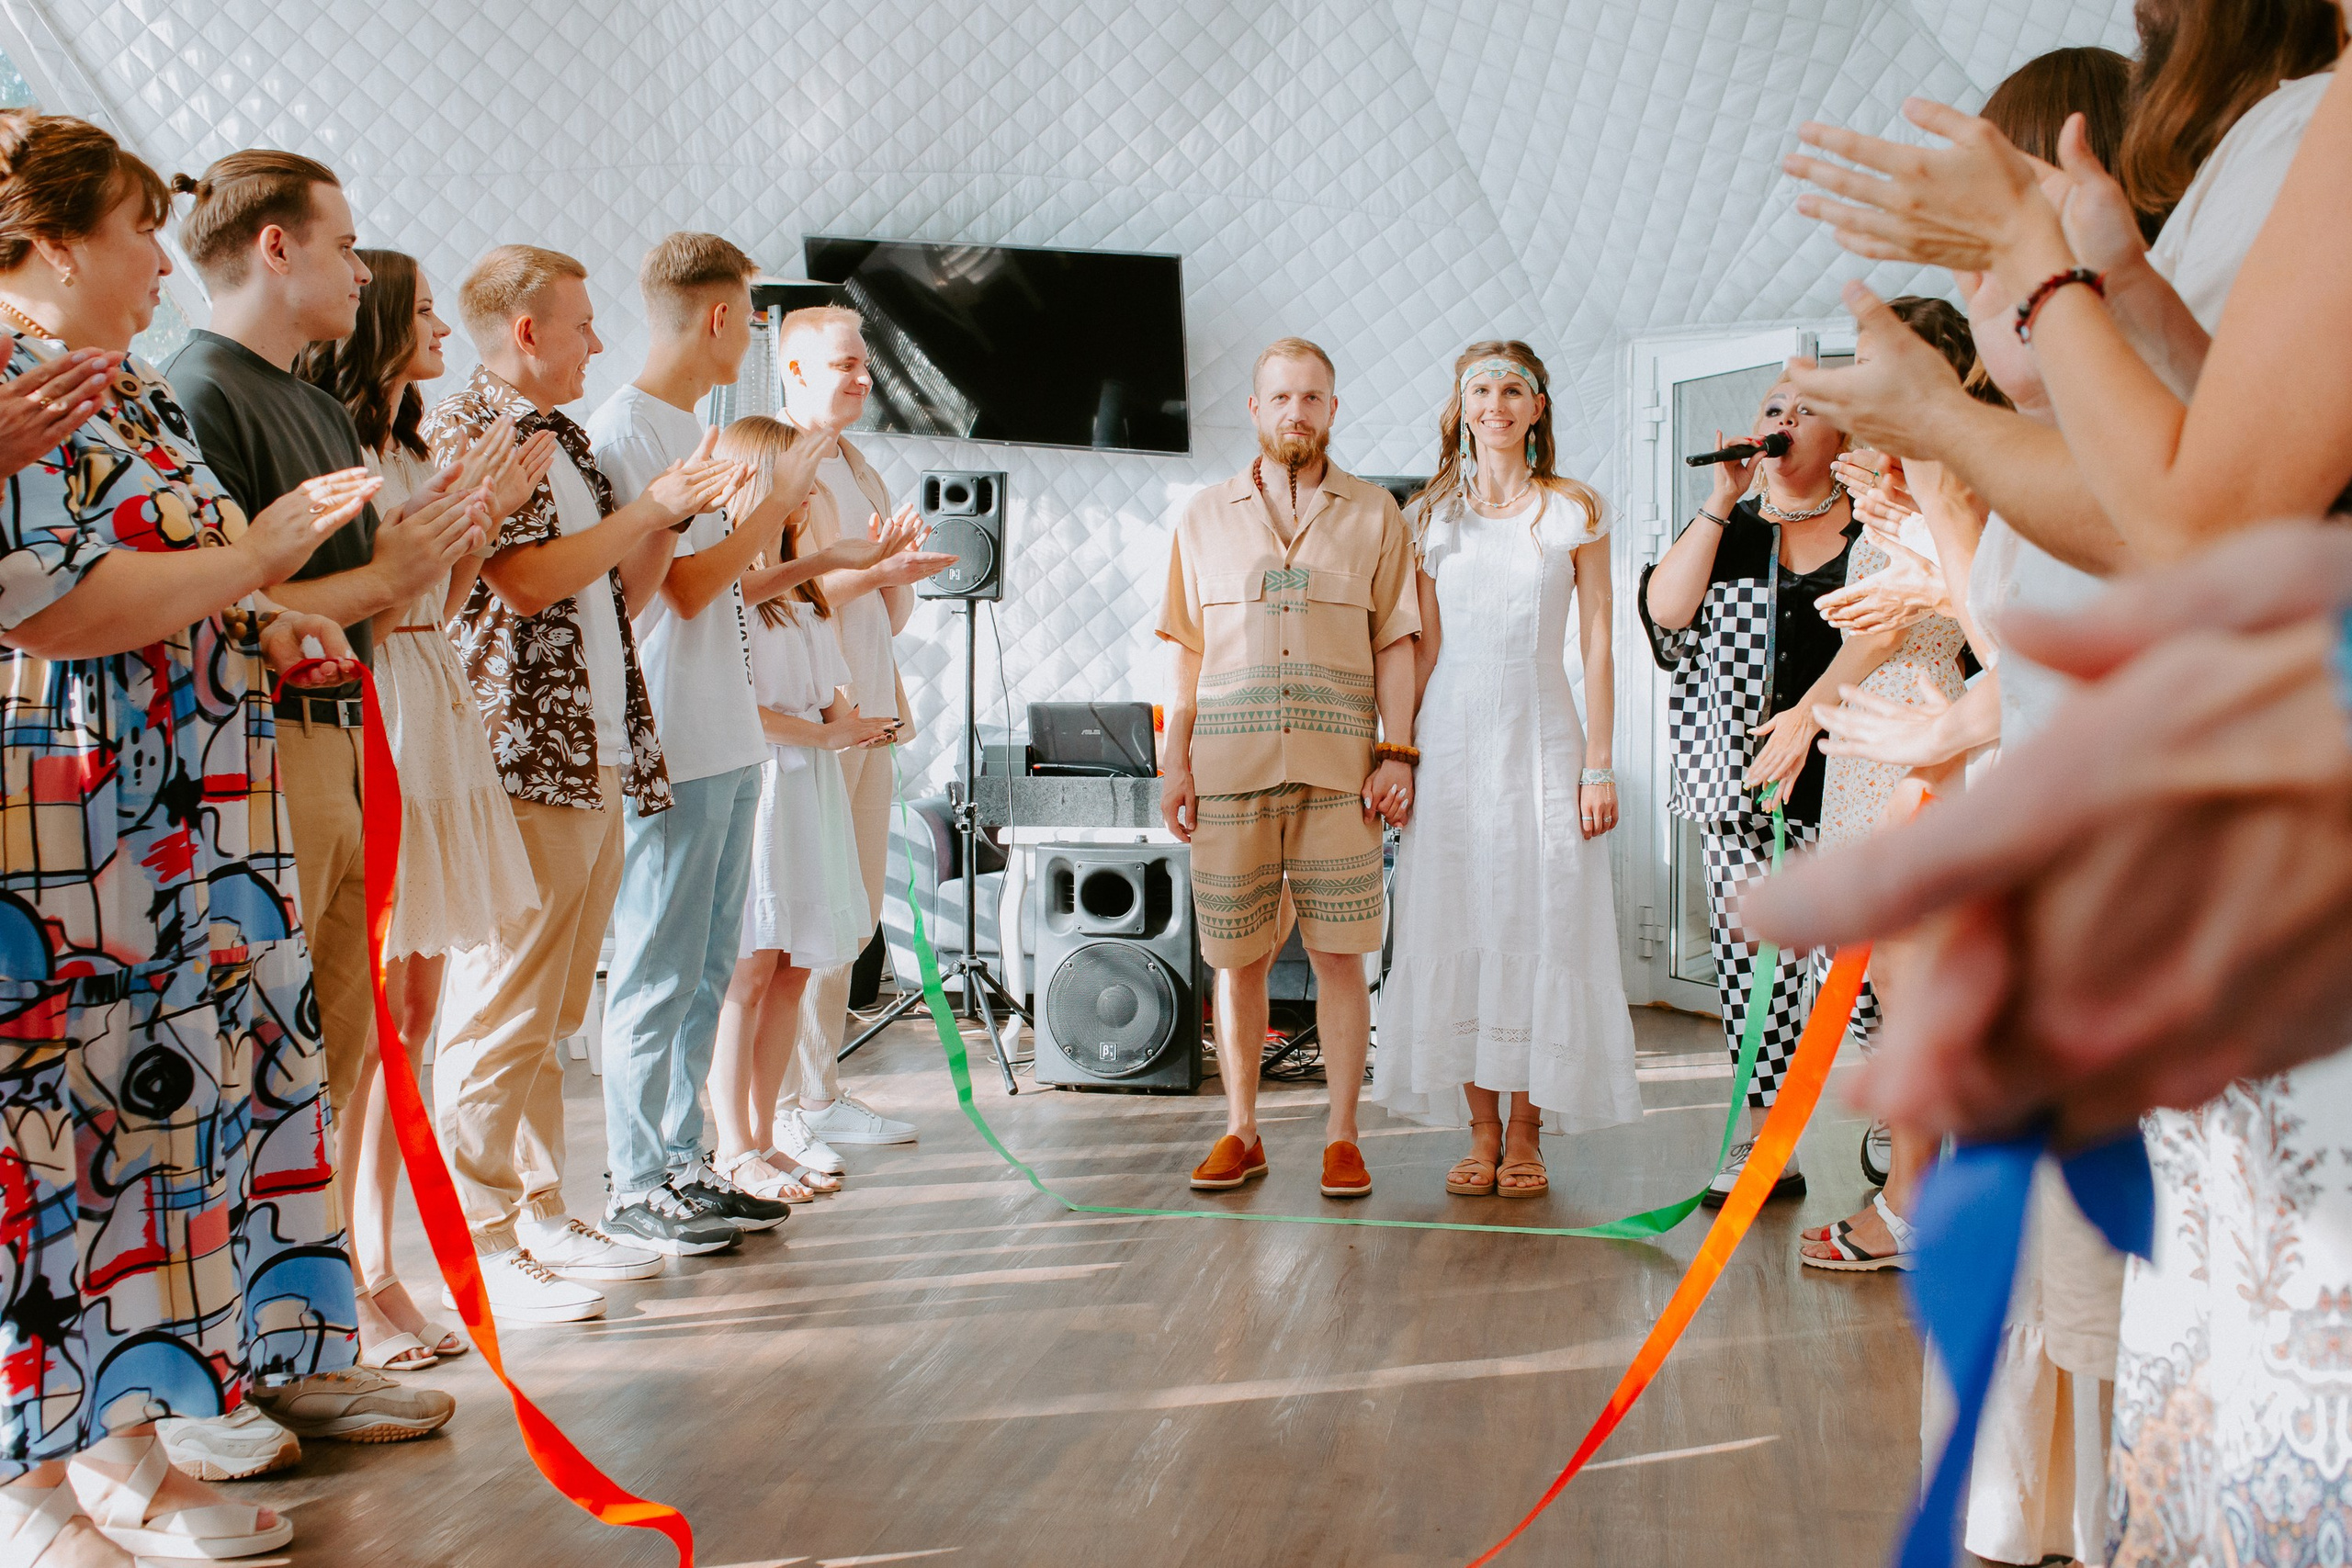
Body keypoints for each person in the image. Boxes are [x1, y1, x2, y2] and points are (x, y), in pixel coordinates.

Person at [1781, 12, 2352, 1561]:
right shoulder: (2297, 133)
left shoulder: (2317, 126)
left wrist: (2005, 324)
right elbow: (2236, 453)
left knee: (2255, 1380)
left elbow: (2193, 524)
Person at [0, 108, 376, 1562]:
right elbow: (57, 605)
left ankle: (136, 1434)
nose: (163, 254)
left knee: (160, 1131)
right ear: (48, 241)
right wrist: (268, 561)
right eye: (135, 227)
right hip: (67, 821)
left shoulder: (136, 392)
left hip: (178, 818)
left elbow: (189, 566)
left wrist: (269, 615)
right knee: (63, 1145)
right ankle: (37, 1482)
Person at [163, 149, 468, 1455]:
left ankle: (304, 1345)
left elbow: (357, 601)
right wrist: (388, 567)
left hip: (345, 747)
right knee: (254, 1063)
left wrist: (430, 551)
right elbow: (240, 605)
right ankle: (220, 1371)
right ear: (278, 247)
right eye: (346, 244)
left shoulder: (318, 410)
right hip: (269, 754)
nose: (364, 268)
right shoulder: (197, 392)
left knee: (322, 1066)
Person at [422, 244, 741, 1322]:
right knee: (502, 1009)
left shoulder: (557, 439)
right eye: (580, 323)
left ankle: (545, 1212)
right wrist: (647, 510)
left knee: (552, 1010)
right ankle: (481, 1243)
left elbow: (617, 587)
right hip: (527, 751)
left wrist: (673, 515)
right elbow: (520, 584)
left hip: (593, 748)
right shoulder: (478, 429)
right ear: (525, 333)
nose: (597, 343)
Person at [295, 249, 551, 1371]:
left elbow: (439, 599)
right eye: (430, 315)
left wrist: (480, 521)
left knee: (414, 1011)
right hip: (384, 698)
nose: (445, 333)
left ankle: (379, 1258)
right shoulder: (341, 447)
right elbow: (368, 599)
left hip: (435, 684)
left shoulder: (407, 445)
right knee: (366, 1017)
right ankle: (345, 1273)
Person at [1368, 340, 1635, 1198]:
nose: (1495, 403)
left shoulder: (1574, 510)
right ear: (1461, 405)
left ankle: (1528, 1133)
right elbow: (1421, 647)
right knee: (1455, 915)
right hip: (1450, 737)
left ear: (1538, 406)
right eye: (1480, 389)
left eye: (1512, 389)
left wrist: (1599, 763)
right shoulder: (1428, 518)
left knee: (1542, 916)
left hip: (1544, 733)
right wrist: (1398, 749)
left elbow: (1596, 641)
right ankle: (1480, 1132)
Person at [1159, 336, 1419, 1199]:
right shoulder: (1202, 517)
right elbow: (1182, 652)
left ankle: (1343, 1136)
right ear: (1256, 408)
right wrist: (1174, 760)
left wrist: (1397, 749)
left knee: (1343, 953)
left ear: (1333, 409)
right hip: (1228, 766)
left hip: (1342, 768)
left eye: (1313, 398)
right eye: (1282, 398)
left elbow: (1398, 641)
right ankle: (1242, 1129)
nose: (1297, 413)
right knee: (1237, 960)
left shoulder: (1378, 513)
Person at [585, 233, 797, 1241]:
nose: (751, 336)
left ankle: (681, 1158)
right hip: (667, 736)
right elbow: (682, 589)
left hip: (724, 735)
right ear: (719, 318)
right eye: (750, 317)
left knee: (708, 965)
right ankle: (634, 1179)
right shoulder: (630, 430)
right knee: (657, 967)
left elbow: (727, 594)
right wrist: (779, 504)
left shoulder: (690, 425)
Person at [1637, 378, 1895, 1204]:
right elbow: (1666, 619)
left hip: (1856, 782)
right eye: (1772, 409)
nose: (1782, 420)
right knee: (1755, 978)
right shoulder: (1732, 528)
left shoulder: (1873, 529)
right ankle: (1762, 1142)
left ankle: (1904, 1109)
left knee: (1863, 973)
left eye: (1803, 409)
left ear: (1844, 436)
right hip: (1744, 792)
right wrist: (1719, 501)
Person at [767, 305, 952, 1177]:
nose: (860, 379)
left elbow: (881, 605)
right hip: (811, 721)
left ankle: (820, 1093)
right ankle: (780, 1111)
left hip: (871, 709)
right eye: (842, 365)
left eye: (864, 365)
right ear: (793, 370)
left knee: (852, 915)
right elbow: (770, 597)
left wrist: (895, 572)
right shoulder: (774, 461)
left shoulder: (858, 463)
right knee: (802, 917)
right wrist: (875, 573)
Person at [706, 416, 897, 1202]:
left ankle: (769, 1128)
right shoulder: (732, 590)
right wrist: (831, 731)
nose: (814, 491)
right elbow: (736, 710)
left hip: (810, 782)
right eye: (800, 475)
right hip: (767, 785)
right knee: (747, 973)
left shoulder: (802, 588)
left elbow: (830, 681)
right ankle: (732, 1144)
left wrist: (848, 714)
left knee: (790, 971)